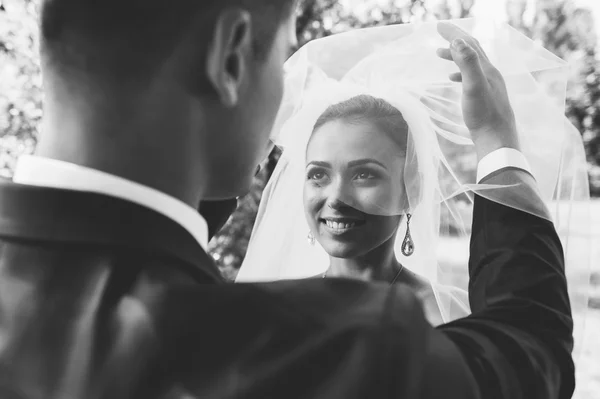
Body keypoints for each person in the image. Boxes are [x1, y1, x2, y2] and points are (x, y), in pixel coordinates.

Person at [0, 1, 577, 398]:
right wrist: (498, 142)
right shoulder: (325, 348)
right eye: (279, 59)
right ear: (230, 57)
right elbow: (531, 346)